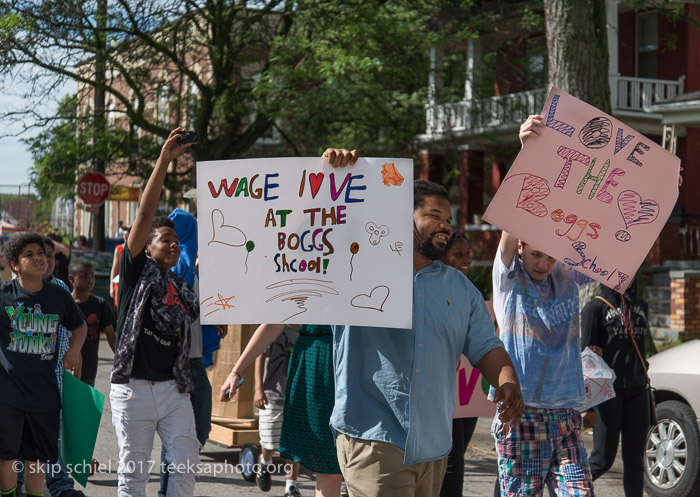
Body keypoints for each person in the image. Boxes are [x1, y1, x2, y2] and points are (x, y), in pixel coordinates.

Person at [220, 156, 524, 497]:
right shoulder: (351, 269)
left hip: (435, 446)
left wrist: (507, 381)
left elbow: (485, 345)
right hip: (372, 439)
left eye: (449, 220)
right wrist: (330, 175)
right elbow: (315, 234)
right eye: (434, 216)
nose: (446, 226)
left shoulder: (461, 288)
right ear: (401, 217)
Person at [491, 114, 597, 497]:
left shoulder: (567, 277)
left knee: (580, 493)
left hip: (566, 409)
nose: (543, 263)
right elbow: (511, 217)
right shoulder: (508, 278)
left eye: (550, 257)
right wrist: (528, 153)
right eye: (535, 255)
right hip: (522, 407)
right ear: (521, 247)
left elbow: (621, 261)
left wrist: (661, 194)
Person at [110, 128, 200, 497]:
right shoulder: (136, 272)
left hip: (172, 389)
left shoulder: (182, 288)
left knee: (185, 464)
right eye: (166, 240)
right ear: (146, 247)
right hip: (133, 389)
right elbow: (146, 212)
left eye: (178, 242)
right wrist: (164, 161)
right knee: (134, 474)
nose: (174, 246)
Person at [0, 232, 86, 497]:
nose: (38, 258)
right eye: (29, 254)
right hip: (8, 394)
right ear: (14, 264)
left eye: (41, 253)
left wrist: (74, 349)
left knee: (37, 458)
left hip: (45, 395)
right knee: (7, 455)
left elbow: (80, 325)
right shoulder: (3, 295)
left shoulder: (58, 296)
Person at [222, 323, 342, 497]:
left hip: (360, 361)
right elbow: (272, 324)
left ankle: (289, 483)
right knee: (328, 468)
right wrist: (236, 372)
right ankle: (281, 476)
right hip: (317, 366)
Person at [580, 277, 649, 497]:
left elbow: (643, 349)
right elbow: (586, 360)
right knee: (602, 460)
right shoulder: (595, 308)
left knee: (636, 460)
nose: (625, 277)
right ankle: (569, 491)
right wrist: (587, 407)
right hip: (608, 393)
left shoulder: (641, 306)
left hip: (638, 390)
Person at [439, 231, 480, 497]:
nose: (466, 260)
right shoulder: (429, 290)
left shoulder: (470, 291)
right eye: (458, 255)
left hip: (468, 392)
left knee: (457, 455)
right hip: (442, 391)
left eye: (468, 254)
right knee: (452, 466)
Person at [253, 326, 302, 496]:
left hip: (296, 398)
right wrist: (258, 389)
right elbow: (260, 356)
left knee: (294, 445)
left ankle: (291, 487)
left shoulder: (305, 331)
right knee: (270, 443)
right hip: (272, 394)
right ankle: (265, 462)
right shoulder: (276, 328)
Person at [69, 260, 116, 386]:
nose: (90, 280)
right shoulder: (66, 305)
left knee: (85, 402)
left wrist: (119, 357)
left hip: (90, 367)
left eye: (92, 276)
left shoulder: (100, 304)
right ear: (71, 279)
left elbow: (111, 335)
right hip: (68, 367)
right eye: (84, 276)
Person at [110, 226, 130, 307]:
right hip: (119, 281)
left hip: (130, 281)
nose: (125, 236)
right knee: (120, 305)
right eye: (124, 234)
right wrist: (111, 286)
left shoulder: (135, 248)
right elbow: (114, 268)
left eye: (127, 234)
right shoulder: (119, 249)